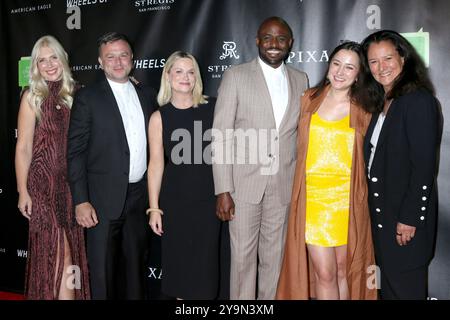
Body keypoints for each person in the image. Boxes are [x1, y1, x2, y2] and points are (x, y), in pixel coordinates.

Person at [212, 16, 309, 300]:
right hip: (243, 187)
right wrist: (223, 189)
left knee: (275, 261)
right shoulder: (236, 75)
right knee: (242, 261)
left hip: (282, 185)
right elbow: (221, 134)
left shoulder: (300, 78)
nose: (274, 44)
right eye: (267, 38)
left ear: (290, 43)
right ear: (257, 40)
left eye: (281, 39)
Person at [276, 41, 378, 300]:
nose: (340, 72)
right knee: (324, 273)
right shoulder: (309, 99)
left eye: (349, 67)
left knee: (343, 271)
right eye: (336, 64)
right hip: (314, 203)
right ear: (328, 65)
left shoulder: (364, 109)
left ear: (358, 75)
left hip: (348, 203)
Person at [67, 32, 157, 299]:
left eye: (123, 55)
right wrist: (81, 200)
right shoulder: (88, 98)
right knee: (103, 274)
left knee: (135, 271)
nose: (118, 62)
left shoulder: (148, 94)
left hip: (139, 198)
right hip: (101, 201)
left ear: (132, 58)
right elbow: (75, 153)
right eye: (110, 57)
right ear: (100, 61)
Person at [361, 30, 439, 300]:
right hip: (382, 220)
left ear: (403, 58)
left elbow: (424, 167)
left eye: (387, 58)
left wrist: (409, 218)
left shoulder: (418, 101)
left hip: (404, 225)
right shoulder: (382, 103)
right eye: (373, 61)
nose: (381, 67)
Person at [15, 35, 90, 300]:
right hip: (42, 185)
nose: (48, 65)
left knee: (67, 255)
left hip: (71, 187)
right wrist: (23, 191)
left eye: (53, 57)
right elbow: (23, 147)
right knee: (61, 252)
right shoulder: (32, 96)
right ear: (35, 65)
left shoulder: (79, 94)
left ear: (63, 59)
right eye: (42, 60)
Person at [147, 51, 224, 299]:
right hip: (177, 202)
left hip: (210, 201)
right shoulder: (159, 117)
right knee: (180, 270)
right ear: (168, 76)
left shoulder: (214, 107)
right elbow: (156, 164)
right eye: (178, 71)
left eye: (191, 72)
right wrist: (154, 208)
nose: (185, 77)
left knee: (207, 269)